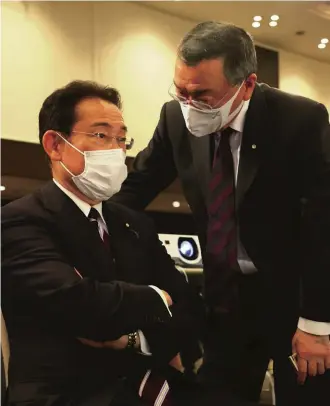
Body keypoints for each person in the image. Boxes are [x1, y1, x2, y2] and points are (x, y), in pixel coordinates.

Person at [112, 21, 330, 406]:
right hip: (226, 300)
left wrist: (316, 325)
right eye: (180, 90)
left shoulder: (300, 120)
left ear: (246, 85)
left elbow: (322, 226)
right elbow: (135, 190)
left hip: (293, 299)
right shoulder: (175, 118)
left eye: (202, 95)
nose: (189, 103)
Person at [2, 80, 256, 406]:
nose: (116, 148)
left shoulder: (133, 224)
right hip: (68, 393)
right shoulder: (20, 220)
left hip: (151, 382)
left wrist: (132, 339)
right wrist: (155, 297)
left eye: (121, 138)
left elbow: (190, 311)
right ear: (55, 145)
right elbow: (80, 304)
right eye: (100, 135)